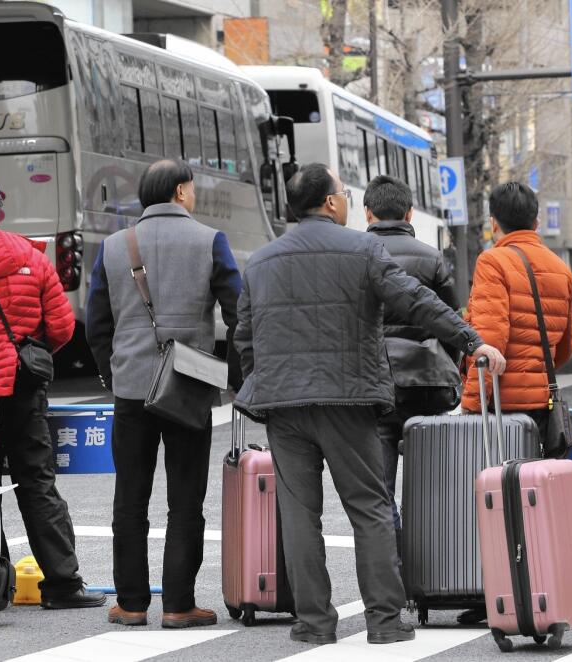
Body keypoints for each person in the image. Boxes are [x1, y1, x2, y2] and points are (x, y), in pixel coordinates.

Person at [233, 163, 505, 646]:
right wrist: (470, 341)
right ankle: (384, 621)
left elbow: (245, 336)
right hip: (348, 399)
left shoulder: (262, 261)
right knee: (369, 508)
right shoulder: (362, 249)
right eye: (341, 192)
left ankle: (314, 623)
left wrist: (263, 381)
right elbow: (416, 300)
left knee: (299, 515)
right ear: (331, 203)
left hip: (284, 404)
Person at [0, 173, 106, 610]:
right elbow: (64, 326)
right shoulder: (31, 255)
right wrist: (29, 351)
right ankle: (64, 584)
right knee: (37, 482)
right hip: (25, 387)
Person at [85, 159, 241, 629]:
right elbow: (240, 313)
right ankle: (178, 603)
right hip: (188, 386)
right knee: (186, 499)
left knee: (129, 499)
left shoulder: (115, 247)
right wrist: (229, 373)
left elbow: (97, 323)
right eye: (191, 189)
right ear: (179, 192)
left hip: (132, 388)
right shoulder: (209, 240)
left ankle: (131, 603)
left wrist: (112, 375)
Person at [456, 181, 572, 624]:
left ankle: (495, 597)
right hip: (541, 409)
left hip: (499, 411)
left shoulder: (493, 261)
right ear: (538, 220)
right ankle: (537, 592)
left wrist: (470, 405)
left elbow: (490, 345)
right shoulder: (559, 267)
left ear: (493, 222)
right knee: (531, 501)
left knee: (492, 501)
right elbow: (563, 348)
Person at [362, 174, 459, 557]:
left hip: (375, 384)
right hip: (427, 384)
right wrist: (446, 364)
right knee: (432, 486)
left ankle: (394, 576)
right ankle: (434, 571)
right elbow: (451, 321)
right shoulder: (432, 257)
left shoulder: (357, 254)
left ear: (367, 212)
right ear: (409, 212)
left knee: (380, 489)